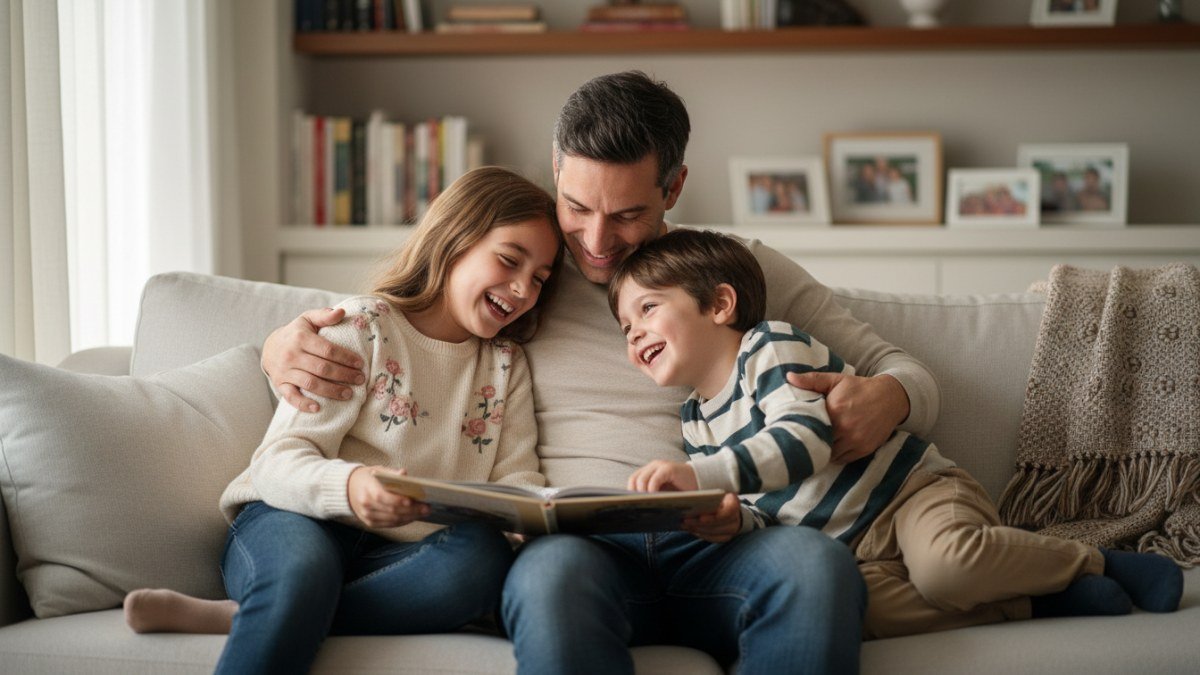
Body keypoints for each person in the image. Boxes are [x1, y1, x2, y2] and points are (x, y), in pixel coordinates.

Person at [261, 71, 941, 672]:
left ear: (674, 187)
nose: (594, 241)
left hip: (725, 538)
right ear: (557, 168)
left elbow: (904, 369)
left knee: (816, 566)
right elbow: (407, 320)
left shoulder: (729, 269)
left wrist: (892, 397)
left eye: (627, 215)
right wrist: (278, 349)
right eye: (577, 207)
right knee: (547, 579)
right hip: (584, 549)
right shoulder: (525, 273)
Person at [613, 228, 1185, 639]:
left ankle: (1097, 563)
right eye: (625, 326)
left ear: (719, 303)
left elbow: (802, 441)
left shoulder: (769, 347)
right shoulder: (694, 421)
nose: (634, 333)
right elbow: (765, 512)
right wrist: (733, 521)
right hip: (849, 551)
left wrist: (702, 476)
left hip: (910, 497)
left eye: (647, 308)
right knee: (848, 611)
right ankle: (1033, 602)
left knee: (948, 567)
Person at [122, 167, 564, 673]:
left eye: (539, 278)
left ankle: (260, 614)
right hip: (292, 518)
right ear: (454, 239)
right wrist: (350, 487)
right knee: (303, 573)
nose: (523, 288)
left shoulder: (506, 365)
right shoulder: (362, 327)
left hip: (401, 556)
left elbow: (516, 481)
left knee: (481, 559)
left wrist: (533, 523)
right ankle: (281, 602)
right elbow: (277, 462)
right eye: (509, 259)